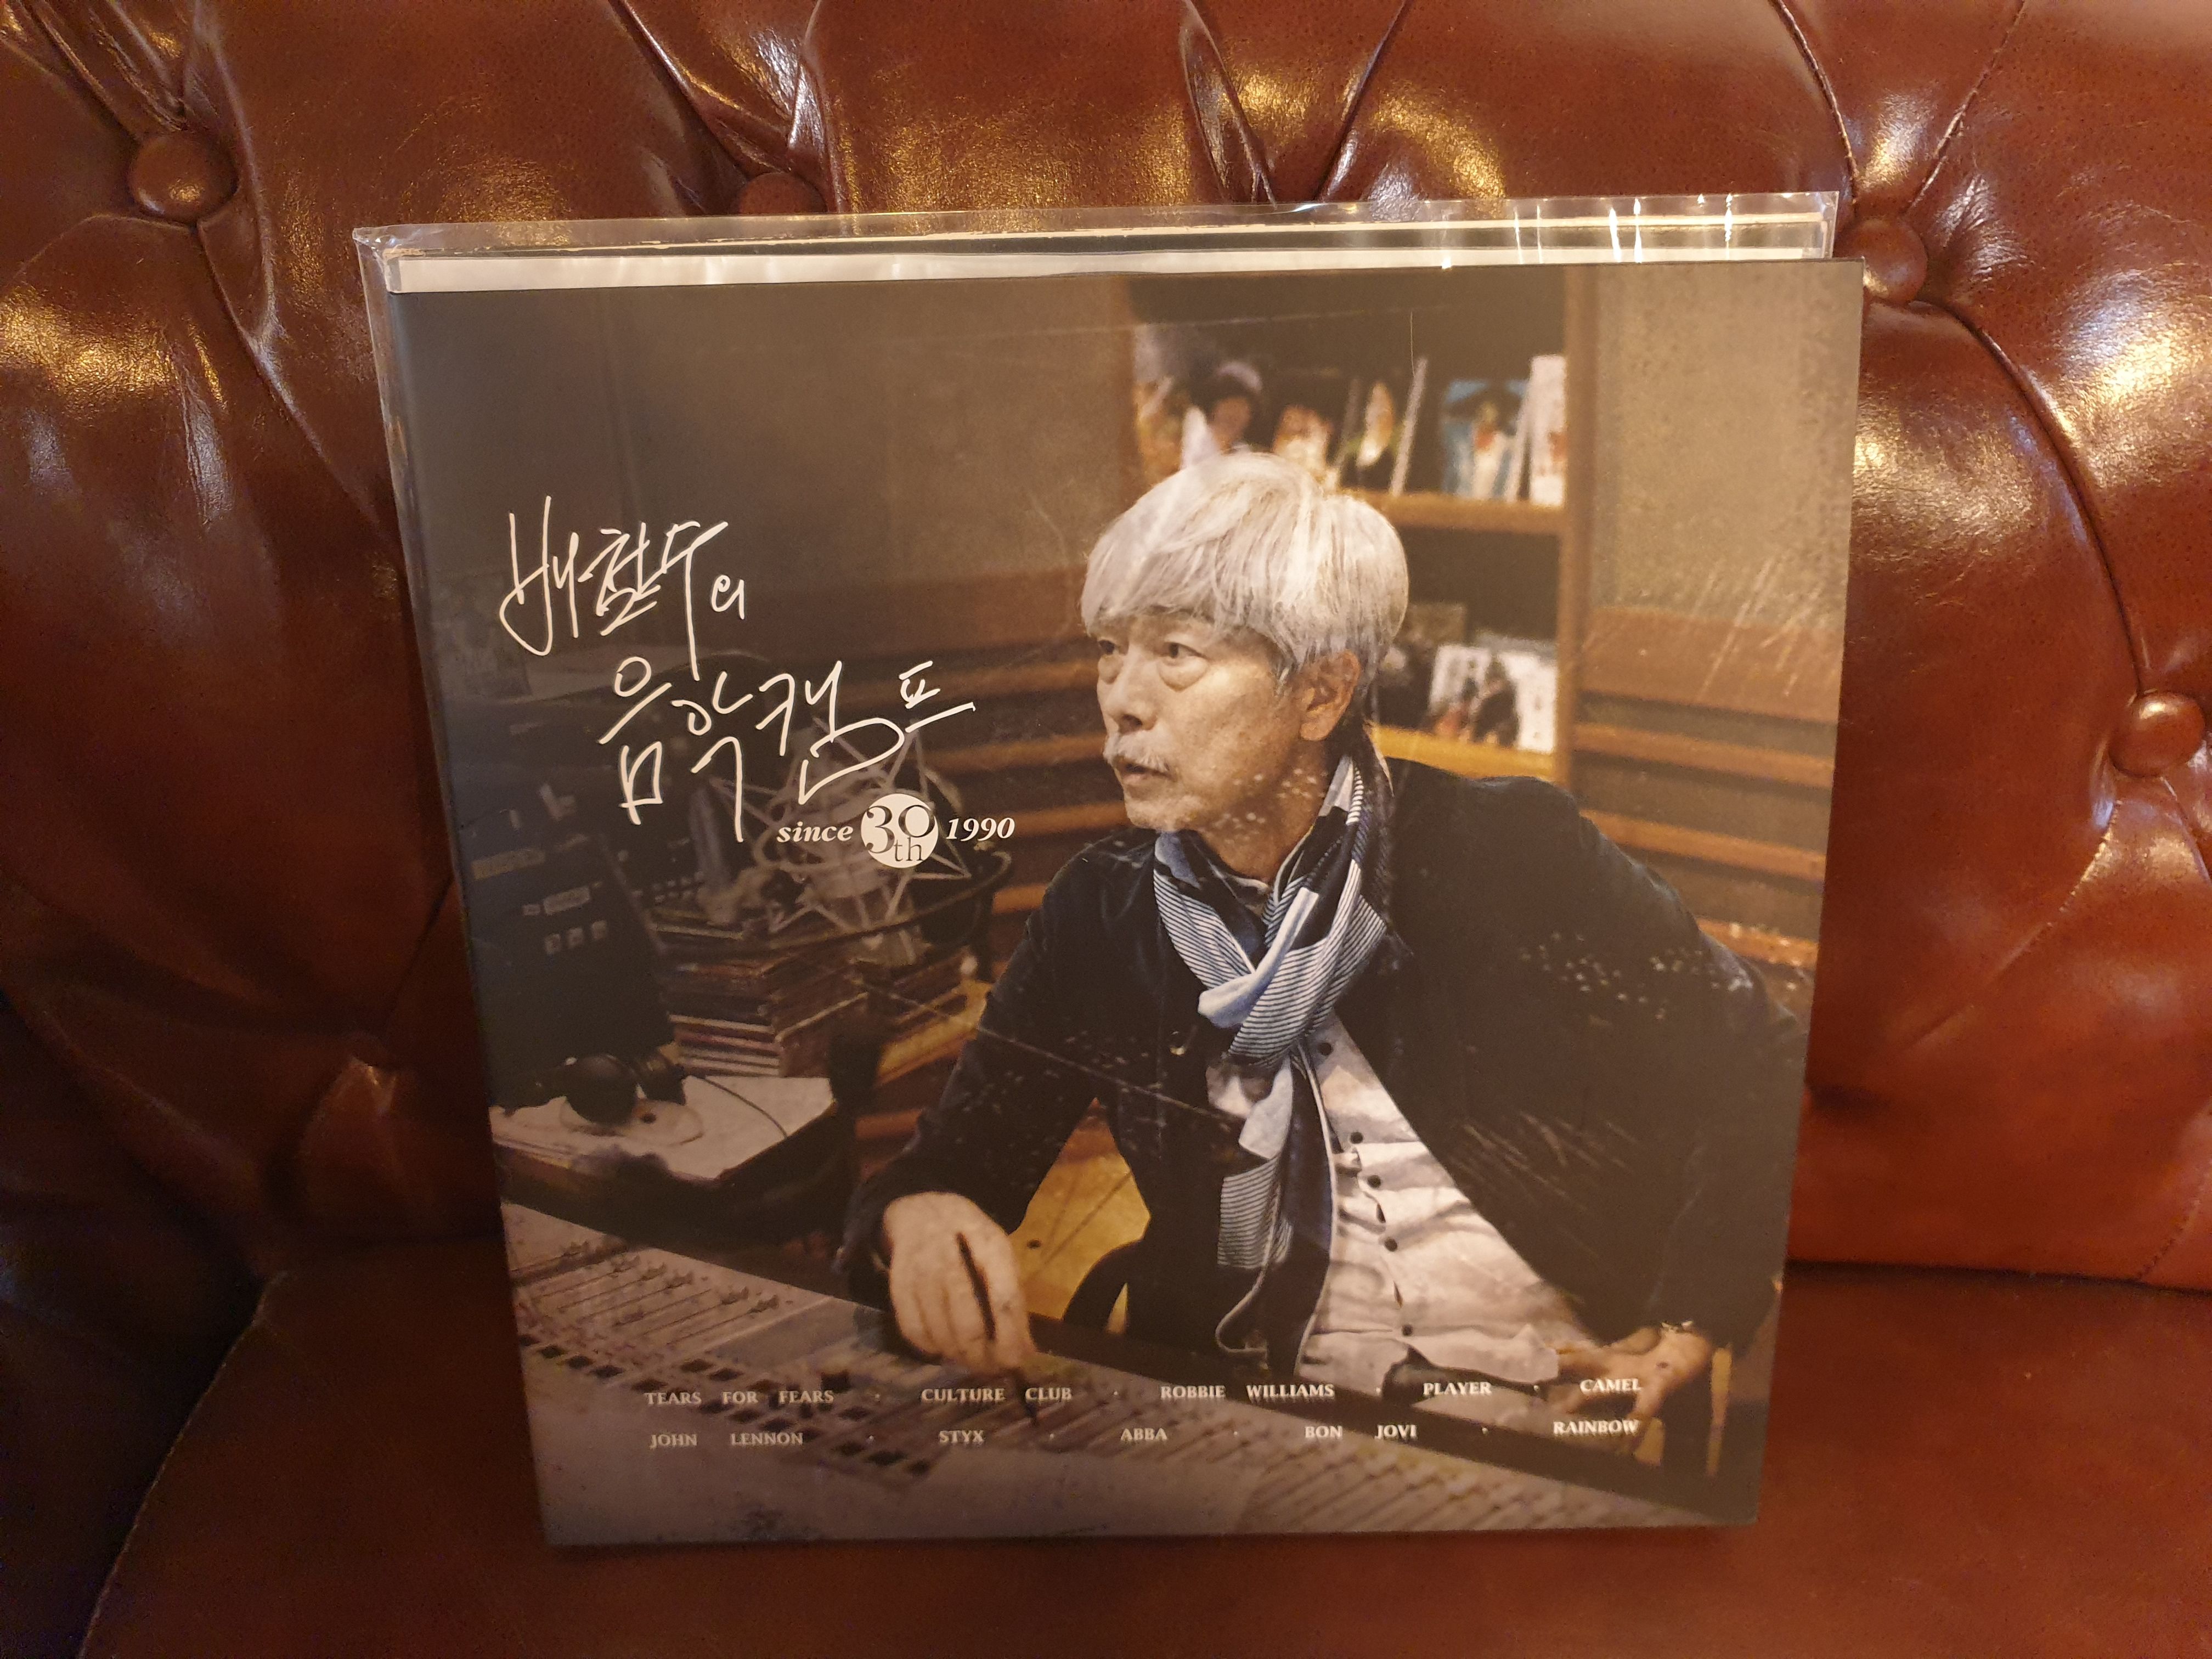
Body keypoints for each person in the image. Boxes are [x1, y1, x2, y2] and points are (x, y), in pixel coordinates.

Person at [841, 453, 1803, 1430]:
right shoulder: (1103, 911)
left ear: (1321, 695)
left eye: (1176, 652)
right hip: (1239, 1402)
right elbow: (949, 1166)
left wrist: (1690, 1321)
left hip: (1535, 1390)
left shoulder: (1504, 849)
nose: (1123, 699)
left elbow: (1757, 1057)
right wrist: (918, 1217)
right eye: (1109, 650)